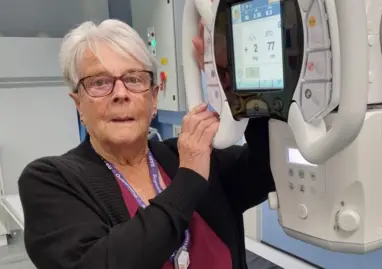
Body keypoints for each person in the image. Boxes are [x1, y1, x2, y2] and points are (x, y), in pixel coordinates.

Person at [18, 18, 274, 269]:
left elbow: (266, 168)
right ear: (78, 104)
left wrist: (234, 81)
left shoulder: (189, 155)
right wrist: (190, 178)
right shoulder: (49, 180)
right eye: (99, 82)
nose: (120, 94)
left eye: (134, 79)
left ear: (154, 97)